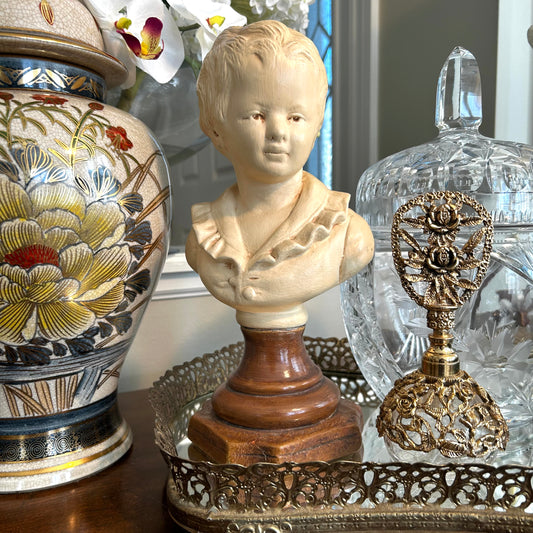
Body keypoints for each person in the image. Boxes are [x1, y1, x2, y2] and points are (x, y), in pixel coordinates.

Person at [186, 20, 374, 330]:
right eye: (257, 115)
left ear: (316, 128)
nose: (278, 132)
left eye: (296, 117)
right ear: (217, 129)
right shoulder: (202, 240)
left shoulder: (349, 236)